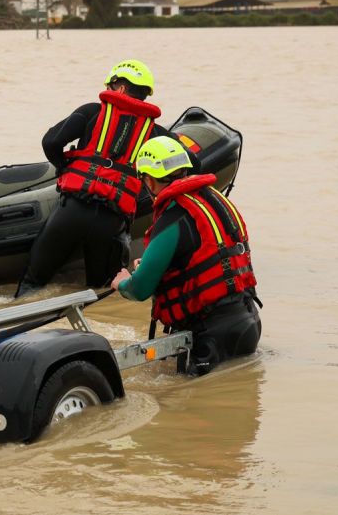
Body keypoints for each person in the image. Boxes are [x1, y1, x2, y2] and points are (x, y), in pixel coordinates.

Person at [14, 60, 168, 298]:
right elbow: (191, 162)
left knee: (32, 285)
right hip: (111, 222)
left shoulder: (91, 112)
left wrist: (64, 166)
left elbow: (51, 142)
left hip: (71, 211)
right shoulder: (156, 133)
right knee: (100, 292)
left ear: (121, 89)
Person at [110, 135, 261, 376]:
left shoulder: (173, 217)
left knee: (187, 408)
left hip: (210, 337)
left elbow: (140, 289)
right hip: (249, 321)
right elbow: (204, 258)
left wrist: (122, 283)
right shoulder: (216, 199)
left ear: (149, 181)